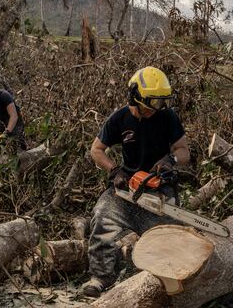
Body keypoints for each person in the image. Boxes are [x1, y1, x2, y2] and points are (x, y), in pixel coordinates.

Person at [80, 66, 191, 298]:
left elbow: (184, 151)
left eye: (161, 103)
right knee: (101, 218)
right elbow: (96, 149)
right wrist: (114, 170)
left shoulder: (167, 117)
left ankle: (166, 282)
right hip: (125, 189)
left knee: (170, 239)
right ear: (136, 96)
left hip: (159, 188)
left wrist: (170, 159)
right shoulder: (120, 118)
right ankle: (100, 277)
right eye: (153, 103)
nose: (156, 109)